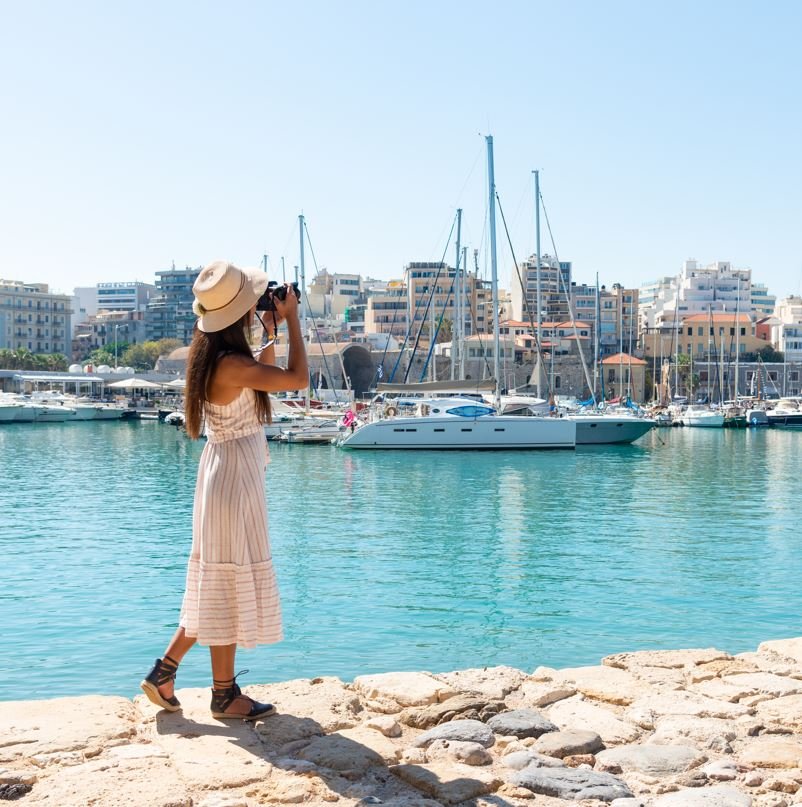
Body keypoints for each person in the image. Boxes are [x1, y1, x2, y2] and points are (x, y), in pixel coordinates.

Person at [140, 260, 308, 720]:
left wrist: (270, 328)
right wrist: (292, 318)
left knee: (217, 582)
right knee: (226, 583)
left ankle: (170, 674)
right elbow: (297, 380)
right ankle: (220, 694)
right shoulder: (232, 364)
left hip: (225, 474)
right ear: (237, 313)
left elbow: (263, 388)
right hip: (234, 479)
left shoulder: (217, 358)